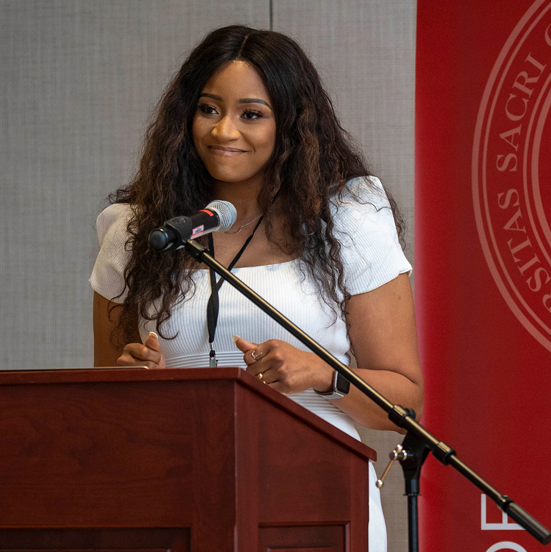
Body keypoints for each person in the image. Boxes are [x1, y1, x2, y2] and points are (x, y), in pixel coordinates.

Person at [90, 25, 422, 551]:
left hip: (316, 498)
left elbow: (404, 403)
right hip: (174, 497)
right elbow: (100, 401)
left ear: (290, 124)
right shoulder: (141, 232)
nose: (224, 130)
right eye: (208, 109)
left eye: (251, 114)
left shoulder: (348, 221)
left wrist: (322, 374)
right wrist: (133, 384)